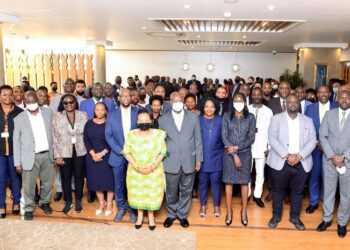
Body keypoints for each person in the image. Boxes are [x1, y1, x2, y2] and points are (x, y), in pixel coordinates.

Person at [267, 94, 316, 231]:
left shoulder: (308, 120)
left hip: (301, 162)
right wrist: (287, 156)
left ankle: (294, 217)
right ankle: (276, 216)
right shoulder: (276, 119)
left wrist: (299, 156)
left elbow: (312, 141)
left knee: (297, 192)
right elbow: (272, 139)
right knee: (278, 191)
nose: (293, 104)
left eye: (296, 102)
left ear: (299, 104)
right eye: (290, 102)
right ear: (286, 104)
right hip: (281, 161)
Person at [159, 92, 203, 228]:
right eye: (174, 101)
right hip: (170, 161)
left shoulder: (194, 117)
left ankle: (183, 214)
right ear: (170, 102)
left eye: (180, 101)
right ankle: (172, 214)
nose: (177, 103)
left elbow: (198, 139)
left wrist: (199, 159)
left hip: (189, 159)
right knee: (171, 191)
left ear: (183, 102)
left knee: (186, 190)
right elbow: (161, 142)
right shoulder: (162, 119)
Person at [13, 91, 54, 220]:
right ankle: (29, 208)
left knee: (47, 183)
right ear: (25, 101)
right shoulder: (19, 118)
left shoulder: (48, 113)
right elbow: (16, 142)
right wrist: (17, 162)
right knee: (29, 185)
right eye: (29, 102)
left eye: (33, 100)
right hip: (29, 157)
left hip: (47, 154)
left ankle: (44, 202)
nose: (32, 103)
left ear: (38, 99)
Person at [123, 110, 166, 230]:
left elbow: (162, 152)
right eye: (141, 120)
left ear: (151, 121)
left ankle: (151, 217)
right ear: (137, 122)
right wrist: (137, 167)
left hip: (154, 171)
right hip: (135, 171)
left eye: (146, 120)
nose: (144, 122)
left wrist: (152, 167)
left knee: (152, 193)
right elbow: (126, 152)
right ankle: (140, 216)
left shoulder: (159, 134)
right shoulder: (131, 134)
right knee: (138, 193)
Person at [317, 90, 350, 238]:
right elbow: (322, 136)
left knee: (346, 194)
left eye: (347, 97)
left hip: (348, 162)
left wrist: (344, 157)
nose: (344, 100)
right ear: (337, 99)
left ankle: (342, 222)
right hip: (329, 161)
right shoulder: (329, 115)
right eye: (341, 97)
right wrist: (332, 156)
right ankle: (327, 219)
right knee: (329, 192)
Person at [222, 93, 256, 227]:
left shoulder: (251, 117)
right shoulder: (226, 116)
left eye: (241, 100)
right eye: (236, 100)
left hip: (246, 154)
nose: (238, 102)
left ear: (245, 102)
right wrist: (234, 153)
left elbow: (251, 137)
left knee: (244, 183)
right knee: (229, 182)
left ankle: (244, 211)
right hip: (229, 154)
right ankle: (229, 211)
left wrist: (237, 147)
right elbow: (224, 136)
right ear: (232, 102)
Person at [105, 88, 138, 223]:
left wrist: (132, 151)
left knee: (133, 184)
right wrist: (121, 150)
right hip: (117, 155)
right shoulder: (112, 114)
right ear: (119, 98)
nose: (125, 98)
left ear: (131, 97)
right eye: (123, 96)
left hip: (135, 156)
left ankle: (132, 209)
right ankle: (121, 208)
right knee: (118, 184)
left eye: (128, 96)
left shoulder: (138, 113)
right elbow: (108, 135)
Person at [50, 78, 85, 202]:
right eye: (66, 103)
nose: (69, 104)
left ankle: (79, 200)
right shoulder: (56, 117)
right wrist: (57, 155)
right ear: (62, 104)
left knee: (79, 176)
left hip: (80, 151)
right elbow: (54, 137)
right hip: (64, 151)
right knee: (65, 177)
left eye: (71, 102)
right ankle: (68, 201)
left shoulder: (83, 115)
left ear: (75, 103)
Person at [304, 86, 337, 214]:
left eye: (326, 92)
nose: (323, 94)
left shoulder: (336, 107)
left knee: (329, 178)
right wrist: (317, 142)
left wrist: (327, 145)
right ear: (317, 94)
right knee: (314, 176)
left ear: (330, 94)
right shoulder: (310, 108)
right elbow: (306, 128)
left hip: (332, 149)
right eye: (320, 92)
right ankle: (313, 202)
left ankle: (327, 204)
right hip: (315, 148)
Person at [83, 102, 114, 216]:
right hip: (92, 157)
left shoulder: (109, 123)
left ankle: (109, 203)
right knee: (95, 181)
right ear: (94, 111)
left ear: (105, 111)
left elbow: (112, 140)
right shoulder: (88, 123)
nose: (99, 112)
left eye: (102, 110)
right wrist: (93, 154)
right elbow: (86, 140)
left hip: (107, 156)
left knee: (109, 181)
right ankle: (101, 203)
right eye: (97, 109)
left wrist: (101, 154)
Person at [0, 85, 23, 219]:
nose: (8, 97)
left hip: (15, 151)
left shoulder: (19, 112)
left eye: (10, 94)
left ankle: (16, 203)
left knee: (15, 179)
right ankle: (2, 206)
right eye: (4, 94)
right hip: (0, 151)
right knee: (1, 179)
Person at [198, 98, 223, 217]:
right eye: (206, 106)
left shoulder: (220, 120)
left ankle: (217, 205)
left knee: (216, 183)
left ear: (215, 108)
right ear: (203, 107)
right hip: (202, 158)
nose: (209, 109)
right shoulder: (197, 120)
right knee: (202, 183)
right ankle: (203, 205)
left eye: (212, 107)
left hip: (217, 157)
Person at [248, 88, 273, 208]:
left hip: (262, 145)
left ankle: (257, 195)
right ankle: (247, 194)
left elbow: (271, 130)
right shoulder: (246, 109)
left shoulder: (268, 111)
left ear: (262, 95)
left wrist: (269, 146)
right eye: (254, 94)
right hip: (247, 146)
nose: (257, 96)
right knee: (246, 172)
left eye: (259, 94)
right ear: (251, 95)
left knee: (260, 173)